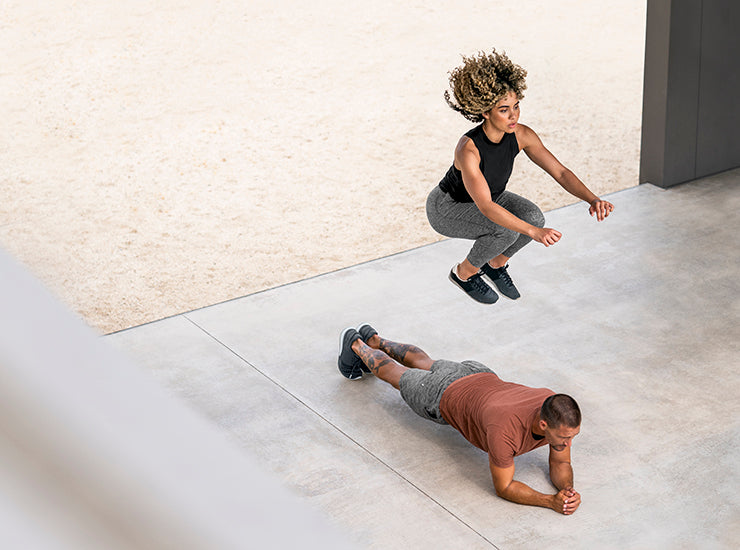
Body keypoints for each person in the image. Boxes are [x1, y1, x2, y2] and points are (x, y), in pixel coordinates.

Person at [427, 49, 614, 304]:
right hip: (448, 208)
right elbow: (486, 207)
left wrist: (593, 199)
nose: (513, 115)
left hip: (491, 197)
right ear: (485, 112)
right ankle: (463, 273)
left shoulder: (522, 134)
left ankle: (495, 264)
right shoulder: (468, 149)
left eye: (516, 106)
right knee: (506, 230)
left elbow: (560, 172)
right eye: (504, 110)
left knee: (533, 216)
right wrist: (534, 233)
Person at [337, 324, 582, 515]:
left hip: (477, 373)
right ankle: (356, 344)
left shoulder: (554, 407)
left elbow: (561, 462)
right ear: (543, 424)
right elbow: (505, 487)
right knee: (396, 374)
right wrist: (549, 501)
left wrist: (567, 491)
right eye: (565, 437)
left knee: (425, 362)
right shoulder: (505, 431)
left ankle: (375, 340)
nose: (568, 443)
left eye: (573, 436)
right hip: (441, 393)